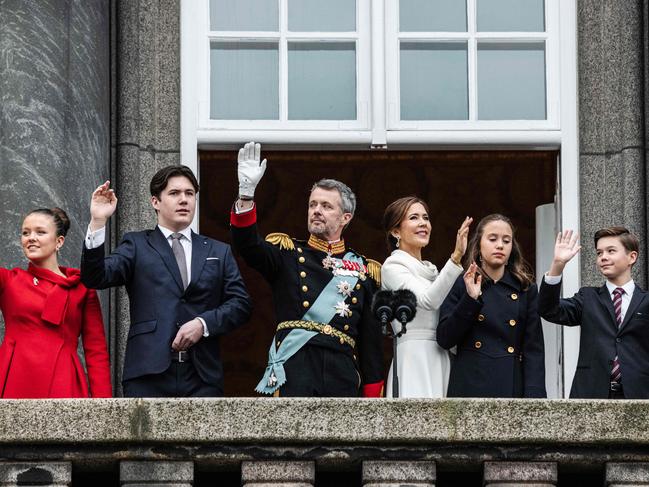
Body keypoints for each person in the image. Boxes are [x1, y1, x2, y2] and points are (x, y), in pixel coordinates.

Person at [81, 165, 251, 397]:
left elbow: (241, 304)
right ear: (155, 202)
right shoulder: (136, 245)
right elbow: (96, 277)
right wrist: (98, 222)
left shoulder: (218, 250)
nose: (184, 200)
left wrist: (203, 323)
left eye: (189, 194)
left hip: (202, 376)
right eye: (174, 193)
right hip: (147, 375)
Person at [230, 141, 384, 397]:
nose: (316, 211)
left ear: (345, 218)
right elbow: (248, 246)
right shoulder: (287, 253)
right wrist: (246, 195)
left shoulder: (365, 271)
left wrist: (372, 400)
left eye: (326, 206)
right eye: (313, 205)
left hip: (341, 373)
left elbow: (371, 346)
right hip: (295, 368)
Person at [0, 208, 111, 398]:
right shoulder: (9, 280)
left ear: (59, 241)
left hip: (64, 380)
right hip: (15, 378)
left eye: (40, 232)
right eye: (26, 233)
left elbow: (96, 352)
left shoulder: (82, 288)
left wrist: (105, 406)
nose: (31, 238)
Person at [438, 214, 546, 398]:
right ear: (479, 244)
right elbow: (445, 338)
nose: (500, 245)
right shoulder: (461, 282)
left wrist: (535, 401)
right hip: (469, 383)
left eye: (506, 240)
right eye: (492, 239)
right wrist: (471, 299)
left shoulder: (526, 289)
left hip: (510, 384)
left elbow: (533, 350)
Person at [538, 227, 649, 399]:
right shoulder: (587, 297)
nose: (603, 257)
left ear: (631, 257)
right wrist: (558, 265)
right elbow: (549, 310)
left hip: (639, 394)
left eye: (611, 251)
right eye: (599, 253)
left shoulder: (646, 300)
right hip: (591, 392)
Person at [380, 196, 471, 398]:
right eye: (414, 218)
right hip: (414, 357)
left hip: (442, 355)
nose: (423, 223)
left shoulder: (433, 272)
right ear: (396, 231)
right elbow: (428, 301)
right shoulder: (392, 267)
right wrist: (456, 257)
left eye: (426, 217)